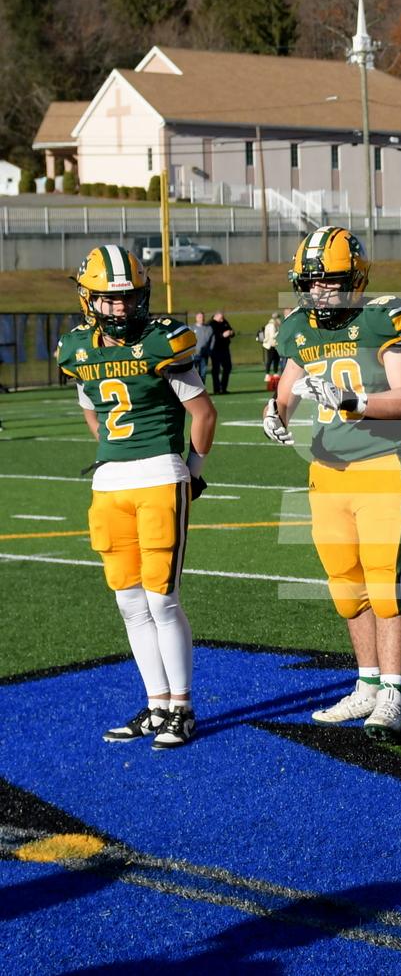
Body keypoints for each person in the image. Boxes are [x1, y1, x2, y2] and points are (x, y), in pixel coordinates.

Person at [262, 226, 401, 739]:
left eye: (329, 281)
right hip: (326, 471)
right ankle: (368, 685)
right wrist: (276, 412)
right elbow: (289, 385)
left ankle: (393, 694)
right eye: (311, 282)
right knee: (346, 585)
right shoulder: (299, 327)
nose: (319, 291)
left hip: (382, 464)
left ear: (355, 278)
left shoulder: (383, 317)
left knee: (384, 584)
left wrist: (352, 401)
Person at [56, 245, 217, 749]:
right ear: (89, 299)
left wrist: (192, 473)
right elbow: (92, 409)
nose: (121, 307)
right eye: (110, 298)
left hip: (159, 475)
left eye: (128, 297)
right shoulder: (77, 348)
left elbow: (204, 413)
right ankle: (156, 704)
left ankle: (181, 708)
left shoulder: (160, 341)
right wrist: (112, 454)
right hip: (109, 483)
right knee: (129, 602)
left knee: (162, 600)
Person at [209, 311, 234, 394]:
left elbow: (231, 330)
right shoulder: (211, 324)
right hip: (215, 349)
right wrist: (222, 335)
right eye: (221, 318)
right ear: (215, 316)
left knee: (227, 367)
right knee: (216, 369)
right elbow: (213, 335)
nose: (222, 320)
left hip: (225, 349)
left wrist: (231, 332)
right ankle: (216, 389)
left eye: (223, 318)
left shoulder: (225, 322)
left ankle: (223, 388)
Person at [261, 312, 282, 392]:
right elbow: (273, 335)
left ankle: (275, 373)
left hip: (274, 345)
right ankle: (267, 374)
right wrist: (280, 333)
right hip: (271, 345)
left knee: (276, 359)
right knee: (270, 359)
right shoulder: (272, 325)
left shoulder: (274, 324)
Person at [192, 312, 213, 387]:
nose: (202, 319)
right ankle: (193, 390)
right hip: (194, 355)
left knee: (203, 374)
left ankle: (201, 390)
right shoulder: (191, 328)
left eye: (203, 317)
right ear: (196, 318)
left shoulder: (209, 328)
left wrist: (210, 350)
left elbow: (212, 341)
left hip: (204, 355)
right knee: (192, 374)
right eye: (200, 317)